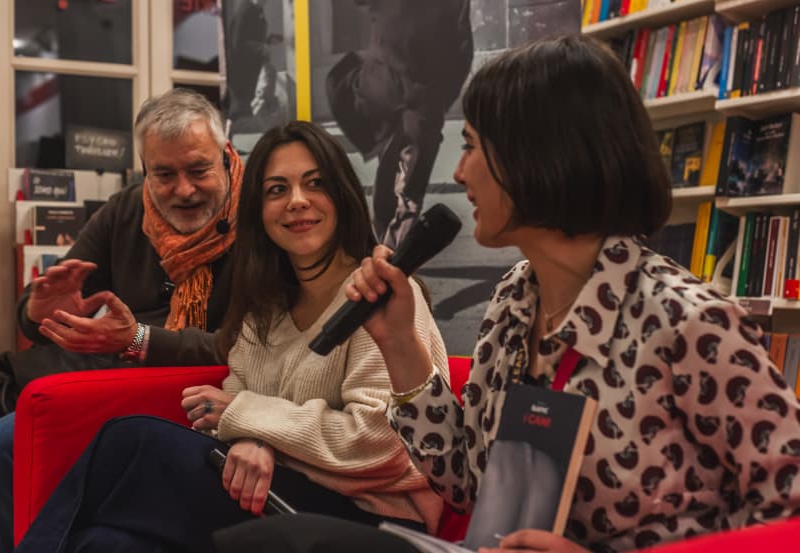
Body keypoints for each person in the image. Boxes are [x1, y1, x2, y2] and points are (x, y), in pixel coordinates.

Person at [218, 35, 800, 552]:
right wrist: (397, 343)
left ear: (538, 155)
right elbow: (462, 481)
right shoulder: (514, 301)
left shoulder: (688, 323)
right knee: (268, 540)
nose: (460, 172)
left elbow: (789, 513)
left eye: (472, 146)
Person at [12, 120, 449, 553]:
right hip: (277, 490)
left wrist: (251, 422)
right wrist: (252, 437)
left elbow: (380, 444)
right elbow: (236, 404)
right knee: (104, 543)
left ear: (343, 195)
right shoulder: (265, 308)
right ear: (258, 211)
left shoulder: (381, 297)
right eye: (277, 190)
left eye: (315, 184)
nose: (297, 201)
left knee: (132, 439)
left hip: (369, 517)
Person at [0, 87, 242, 553]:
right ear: (145, 169)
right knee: (2, 444)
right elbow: (38, 311)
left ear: (225, 156)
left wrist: (140, 339)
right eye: (164, 174)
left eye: (199, 170)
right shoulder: (125, 209)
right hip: (128, 388)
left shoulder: (263, 217)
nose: (183, 190)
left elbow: (249, 347)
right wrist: (39, 310)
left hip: (225, 392)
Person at [326, 0, 473, 248]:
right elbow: (462, 51)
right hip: (410, 99)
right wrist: (441, 97)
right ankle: (387, 251)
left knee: (400, 179)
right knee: (405, 186)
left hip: (394, 95)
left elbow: (461, 51)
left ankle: (387, 253)